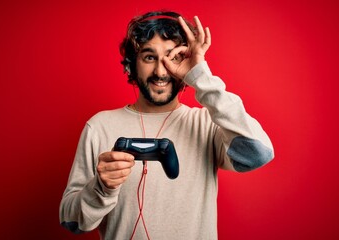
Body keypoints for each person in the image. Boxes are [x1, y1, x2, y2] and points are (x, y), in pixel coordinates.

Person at [59, 10, 274, 239]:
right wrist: (100, 188)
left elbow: (258, 153)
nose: (161, 71)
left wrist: (200, 75)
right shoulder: (99, 126)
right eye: (149, 57)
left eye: (173, 58)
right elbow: (71, 222)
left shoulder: (207, 125)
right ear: (132, 64)